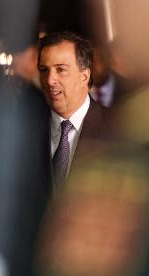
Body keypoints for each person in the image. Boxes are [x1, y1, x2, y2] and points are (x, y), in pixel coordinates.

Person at [37, 31, 104, 187]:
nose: (50, 80)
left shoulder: (115, 127)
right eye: (44, 70)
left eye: (61, 70)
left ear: (84, 76)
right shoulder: (27, 129)